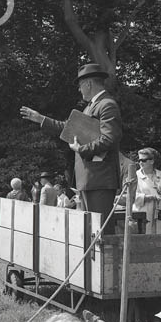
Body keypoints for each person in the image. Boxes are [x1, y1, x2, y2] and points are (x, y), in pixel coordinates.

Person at [21, 64, 122, 234]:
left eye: (80, 85)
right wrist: (41, 119)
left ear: (88, 84)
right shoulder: (90, 106)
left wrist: (81, 149)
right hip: (88, 178)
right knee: (90, 231)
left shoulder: (107, 104)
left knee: (101, 232)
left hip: (100, 179)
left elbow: (109, 139)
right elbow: (68, 127)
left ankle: (110, 261)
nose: (79, 89)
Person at [132, 147, 161, 234]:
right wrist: (147, 197)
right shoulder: (135, 176)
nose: (140, 162)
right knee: (144, 240)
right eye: (139, 160)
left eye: (143, 160)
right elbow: (131, 196)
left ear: (152, 161)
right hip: (143, 213)